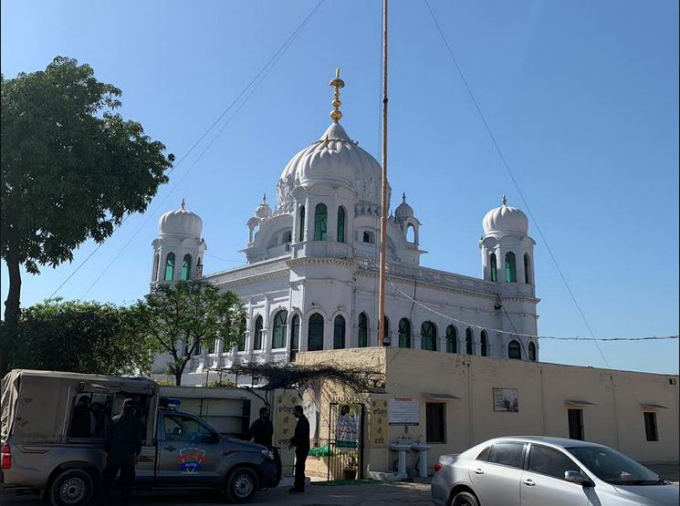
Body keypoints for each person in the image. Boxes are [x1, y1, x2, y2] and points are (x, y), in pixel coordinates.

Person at [99, 399, 143, 505]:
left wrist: (106, 450)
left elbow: (108, 436)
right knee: (127, 481)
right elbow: (138, 439)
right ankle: (123, 501)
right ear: (133, 409)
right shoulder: (137, 422)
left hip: (115, 453)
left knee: (108, 479)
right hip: (128, 454)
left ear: (123, 407)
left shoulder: (115, 419)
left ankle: (103, 501)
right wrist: (138, 453)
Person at [248, 407, 281, 481]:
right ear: (261, 414)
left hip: (268, 447)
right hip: (259, 447)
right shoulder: (256, 423)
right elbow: (250, 435)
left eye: (267, 413)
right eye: (266, 413)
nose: (267, 415)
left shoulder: (269, 424)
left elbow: (271, 433)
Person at [288, 405, 310, 494]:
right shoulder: (302, 421)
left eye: (294, 411)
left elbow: (300, 435)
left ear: (298, 412)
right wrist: (293, 442)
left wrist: (293, 441)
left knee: (300, 467)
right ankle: (299, 486)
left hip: (302, 447)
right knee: (300, 466)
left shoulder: (302, 422)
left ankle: (299, 487)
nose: (293, 413)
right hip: (302, 446)